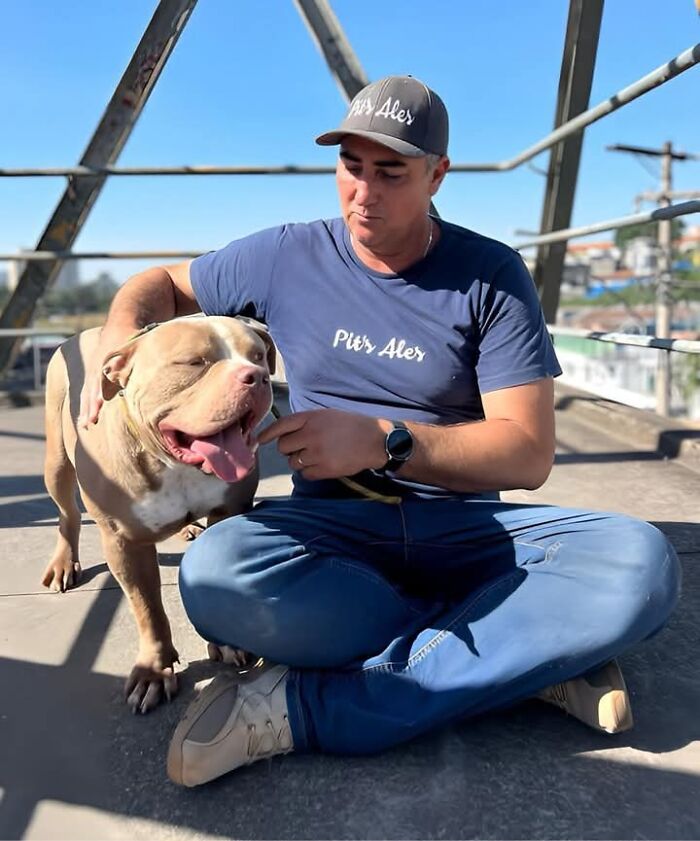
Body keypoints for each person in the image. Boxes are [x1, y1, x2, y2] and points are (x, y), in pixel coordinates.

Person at [80, 75, 681, 788]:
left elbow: (527, 453)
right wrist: (119, 336)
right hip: (332, 537)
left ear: (437, 174)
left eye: (391, 171)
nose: (363, 191)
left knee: (641, 565)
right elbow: (160, 284)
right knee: (215, 576)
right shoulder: (285, 255)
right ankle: (522, 656)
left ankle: (306, 708)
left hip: (465, 532)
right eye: (351, 167)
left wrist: (385, 441)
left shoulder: (490, 274)